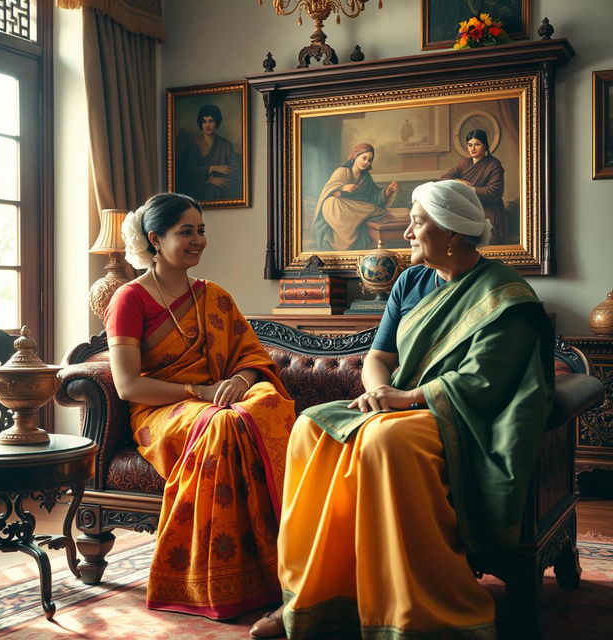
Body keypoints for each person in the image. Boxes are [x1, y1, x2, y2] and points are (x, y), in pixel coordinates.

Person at [250, 180, 554, 639]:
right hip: (397, 402)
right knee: (311, 427)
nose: (407, 234)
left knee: (383, 438)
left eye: (417, 223)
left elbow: (483, 381)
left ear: (451, 233)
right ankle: (313, 598)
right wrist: (377, 393)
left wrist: (405, 400)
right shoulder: (411, 281)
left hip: (462, 418)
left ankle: (408, 611)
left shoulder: (505, 294)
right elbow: (379, 357)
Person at [104, 192, 295, 620]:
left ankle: (283, 567)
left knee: (262, 404)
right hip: (162, 410)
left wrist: (241, 381)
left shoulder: (215, 296)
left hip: (219, 398)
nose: (199, 240)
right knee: (224, 424)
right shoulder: (129, 300)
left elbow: (252, 358)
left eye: (201, 230)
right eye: (185, 231)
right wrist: (200, 393)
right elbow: (128, 384)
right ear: (156, 238)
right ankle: (219, 579)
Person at [313, 143, 399, 251]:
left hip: (353, 211)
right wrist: (343, 188)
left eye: (369, 160)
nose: (366, 162)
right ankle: (372, 212)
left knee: (364, 206)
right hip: (337, 210)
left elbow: (373, 196)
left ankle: (369, 213)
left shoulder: (365, 177)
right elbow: (328, 192)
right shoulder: (342, 171)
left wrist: (388, 191)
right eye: (364, 158)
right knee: (332, 202)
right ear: (355, 156)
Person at [441, 128, 508, 244]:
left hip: (488, 208)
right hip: (468, 205)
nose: (472, 149)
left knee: (482, 229)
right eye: (470, 145)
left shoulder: (493, 164)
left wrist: (469, 189)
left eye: (477, 144)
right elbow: (444, 179)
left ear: (485, 146)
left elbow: (494, 192)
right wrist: (459, 182)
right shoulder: (464, 163)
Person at [179, 104, 241, 201]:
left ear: (216, 123)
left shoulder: (225, 145)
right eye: (204, 121)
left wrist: (222, 178)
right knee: (211, 190)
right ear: (201, 123)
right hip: (200, 187)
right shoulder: (194, 146)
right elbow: (190, 171)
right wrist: (211, 173)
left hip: (223, 185)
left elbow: (235, 168)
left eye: (211, 121)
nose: (207, 125)